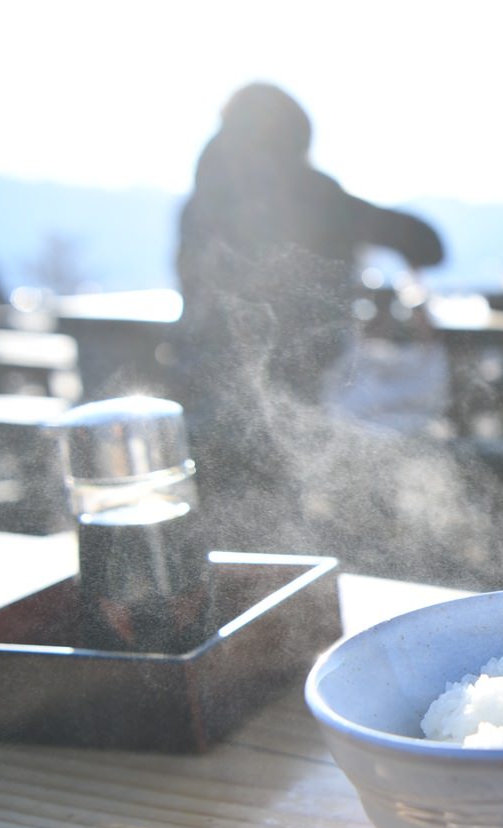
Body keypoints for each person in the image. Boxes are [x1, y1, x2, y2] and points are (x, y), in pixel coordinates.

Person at [173, 82, 445, 550]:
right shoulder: (311, 194)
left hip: (204, 388)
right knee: (277, 537)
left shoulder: (199, 205)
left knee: (223, 536)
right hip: (294, 392)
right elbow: (427, 244)